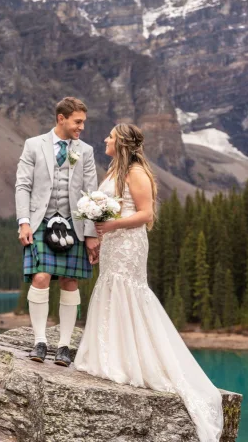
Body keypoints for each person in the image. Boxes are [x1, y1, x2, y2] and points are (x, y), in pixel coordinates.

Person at [74, 123, 224, 442]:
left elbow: (146, 214)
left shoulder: (137, 172)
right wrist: (100, 235)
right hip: (114, 242)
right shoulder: (115, 170)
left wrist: (112, 225)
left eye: (111, 137)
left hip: (129, 243)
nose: (105, 139)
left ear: (123, 143)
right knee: (110, 289)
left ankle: (132, 358)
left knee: (128, 291)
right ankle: (110, 351)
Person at [15, 97, 100, 367]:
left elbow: (91, 193)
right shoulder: (33, 145)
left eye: (83, 122)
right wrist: (24, 222)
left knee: (69, 281)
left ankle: (64, 346)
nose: (81, 128)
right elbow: (22, 186)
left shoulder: (85, 151)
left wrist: (90, 234)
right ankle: (40, 341)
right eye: (78, 122)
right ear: (61, 118)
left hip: (73, 224)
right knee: (40, 277)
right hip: (41, 222)